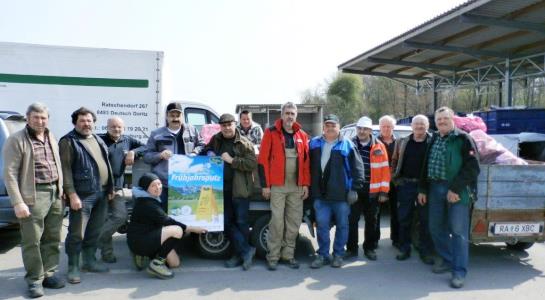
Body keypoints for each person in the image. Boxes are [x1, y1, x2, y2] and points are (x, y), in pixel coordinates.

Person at [2, 103, 65, 298]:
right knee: (32, 241)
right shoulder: (16, 139)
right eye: (36, 117)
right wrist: (17, 202)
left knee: (53, 237)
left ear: (48, 119)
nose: (40, 121)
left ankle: (49, 273)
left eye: (43, 117)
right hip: (33, 195)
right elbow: (10, 173)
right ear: (28, 118)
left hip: (55, 193)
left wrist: (61, 189)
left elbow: (57, 163)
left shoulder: (50, 136)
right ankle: (35, 280)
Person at [418, 106, 480, 289]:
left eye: (445, 118)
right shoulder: (434, 138)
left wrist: (455, 189)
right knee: (435, 227)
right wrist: (422, 188)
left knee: (458, 232)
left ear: (452, 119)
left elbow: (473, 168)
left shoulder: (463, 139)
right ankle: (446, 259)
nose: (442, 122)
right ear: (435, 122)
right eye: (439, 120)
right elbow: (425, 165)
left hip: (457, 191)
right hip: (435, 188)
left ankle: (459, 272)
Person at [59, 107, 114, 284]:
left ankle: (89, 261)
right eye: (82, 121)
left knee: (94, 231)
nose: (86, 124)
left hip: (102, 192)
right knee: (77, 233)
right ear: (75, 122)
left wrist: (110, 187)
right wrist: (72, 194)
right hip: (82, 195)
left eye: (89, 121)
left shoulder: (97, 138)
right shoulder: (68, 141)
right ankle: (73, 266)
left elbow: (106, 164)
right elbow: (65, 170)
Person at [201, 113, 258, 270]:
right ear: (220, 126)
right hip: (221, 189)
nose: (226, 128)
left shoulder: (244, 143)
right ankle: (245, 251)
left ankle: (238, 255)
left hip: (240, 190)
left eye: (229, 124)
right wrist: (209, 153)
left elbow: (251, 163)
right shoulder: (216, 139)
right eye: (223, 125)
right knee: (226, 222)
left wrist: (232, 160)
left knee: (241, 223)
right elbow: (205, 148)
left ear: (235, 124)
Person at [258, 102, 310, 270]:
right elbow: (263, 161)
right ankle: (272, 257)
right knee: (277, 223)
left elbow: (305, 163)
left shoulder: (302, 135)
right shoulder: (271, 132)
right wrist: (265, 185)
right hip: (278, 186)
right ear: (282, 115)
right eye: (287, 113)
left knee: (294, 223)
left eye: (292, 113)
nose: (289, 116)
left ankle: (288, 255)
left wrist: (305, 184)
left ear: (296, 116)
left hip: (296, 186)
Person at [309, 114, 365, 269]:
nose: (330, 128)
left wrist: (354, 189)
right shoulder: (313, 144)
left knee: (342, 225)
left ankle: (338, 254)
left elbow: (358, 168)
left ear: (339, 127)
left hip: (341, 196)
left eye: (333, 125)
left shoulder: (347, 145)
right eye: (327, 125)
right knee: (322, 226)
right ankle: (323, 255)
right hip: (320, 196)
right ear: (323, 127)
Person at [127, 173, 206, 279]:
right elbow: (168, 222)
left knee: (175, 263)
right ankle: (156, 263)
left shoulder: (152, 198)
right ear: (146, 188)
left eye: (159, 184)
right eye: (153, 185)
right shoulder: (147, 203)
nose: (158, 187)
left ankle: (145, 255)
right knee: (178, 230)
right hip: (140, 240)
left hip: (151, 235)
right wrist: (192, 228)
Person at [97, 117, 147, 263]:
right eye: (113, 126)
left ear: (123, 128)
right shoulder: (99, 140)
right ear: (107, 127)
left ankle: (94, 240)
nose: (116, 129)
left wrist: (133, 152)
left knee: (121, 216)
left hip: (118, 188)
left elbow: (145, 147)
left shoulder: (127, 140)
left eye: (119, 127)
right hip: (101, 187)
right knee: (103, 219)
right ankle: (107, 254)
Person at [144, 102, 204, 212]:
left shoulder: (193, 130)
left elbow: (202, 145)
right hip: (164, 183)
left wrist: (195, 153)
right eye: (172, 115)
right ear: (167, 116)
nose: (175, 118)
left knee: (186, 213)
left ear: (182, 116)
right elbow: (147, 156)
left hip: (187, 182)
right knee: (164, 214)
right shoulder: (156, 134)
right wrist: (160, 155)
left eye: (178, 115)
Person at [391, 115, 434, 264]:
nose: (419, 127)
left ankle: (425, 251)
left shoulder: (433, 142)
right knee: (404, 218)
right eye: (416, 124)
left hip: (426, 186)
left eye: (422, 124)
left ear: (427, 126)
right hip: (406, 185)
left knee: (425, 219)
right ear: (412, 126)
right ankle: (405, 248)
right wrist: (396, 180)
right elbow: (394, 160)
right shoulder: (402, 142)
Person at [346, 116, 390, 261]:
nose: (362, 131)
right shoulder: (349, 144)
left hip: (373, 191)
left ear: (371, 130)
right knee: (352, 220)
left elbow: (385, 170)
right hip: (354, 190)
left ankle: (369, 248)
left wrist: (384, 191)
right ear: (356, 129)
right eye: (359, 128)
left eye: (365, 129)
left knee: (372, 221)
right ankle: (351, 249)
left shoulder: (379, 146)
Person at [377, 115, 399, 249]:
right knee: (376, 213)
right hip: (378, 183)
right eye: (383, 126)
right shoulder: (374, 142)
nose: (386, 129)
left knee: (396, 212)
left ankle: (396, 238)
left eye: (389, 126)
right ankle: (374, 240)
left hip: (395, 183)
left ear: (393, 127)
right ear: (380, 127)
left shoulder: (400, 142)